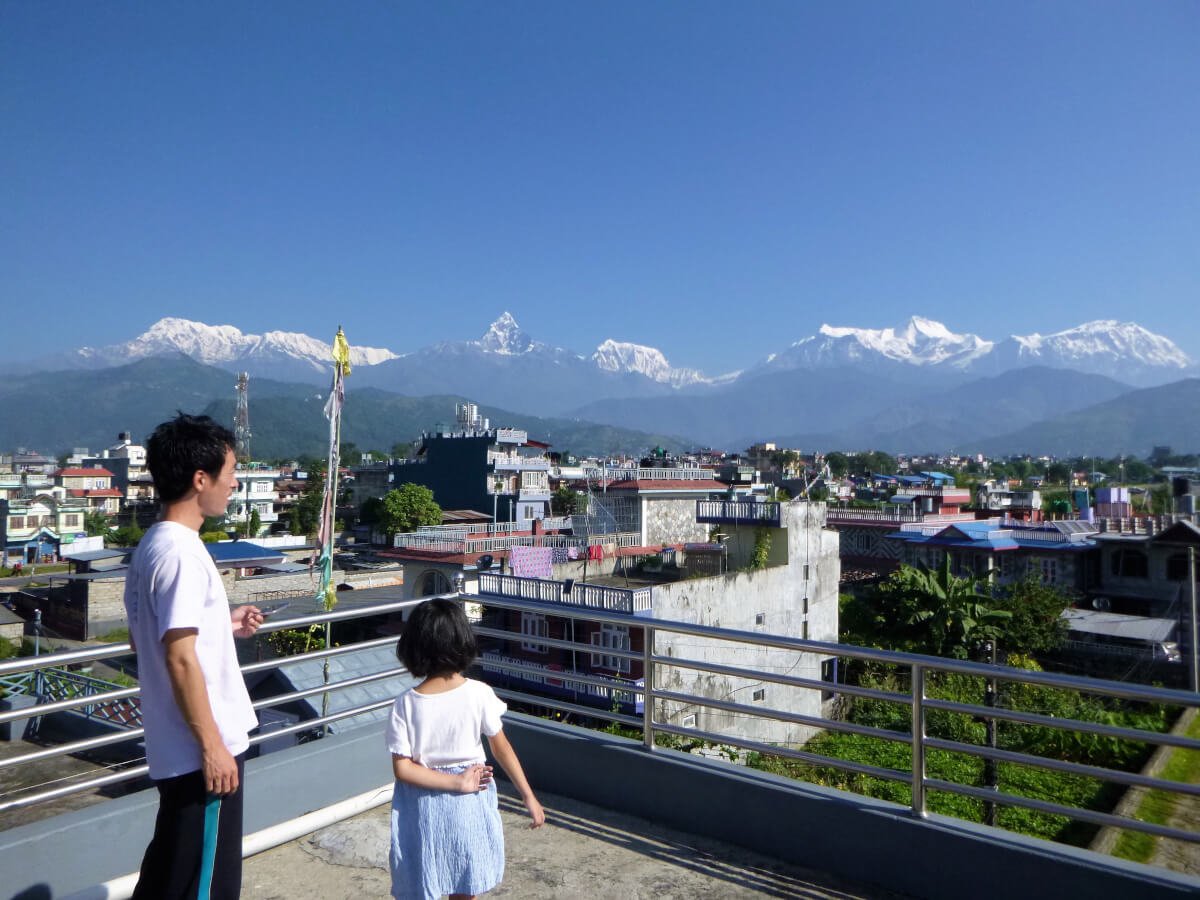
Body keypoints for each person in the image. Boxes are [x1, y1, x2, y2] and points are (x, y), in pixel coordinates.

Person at [123, 413, 264, 900]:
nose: (234, 483)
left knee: (170, 873)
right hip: (201, 754)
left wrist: (224, 626)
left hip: (177, 750)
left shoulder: (151, 547)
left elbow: (149, 639)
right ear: (200, 479)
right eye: (229, 473)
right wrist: (212, 747)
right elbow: (180, 658)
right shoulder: (181, 554)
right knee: (204, 885)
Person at [387, 598, 545, 900]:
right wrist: (528, 796)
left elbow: (402, 767)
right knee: (465, 882)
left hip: (423, 805)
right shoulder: (479, 693)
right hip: (470, 797)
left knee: (426, 879)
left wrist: (451, 781)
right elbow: (502, 749)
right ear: (462, 641)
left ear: (414, 647)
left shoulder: (406, 703)